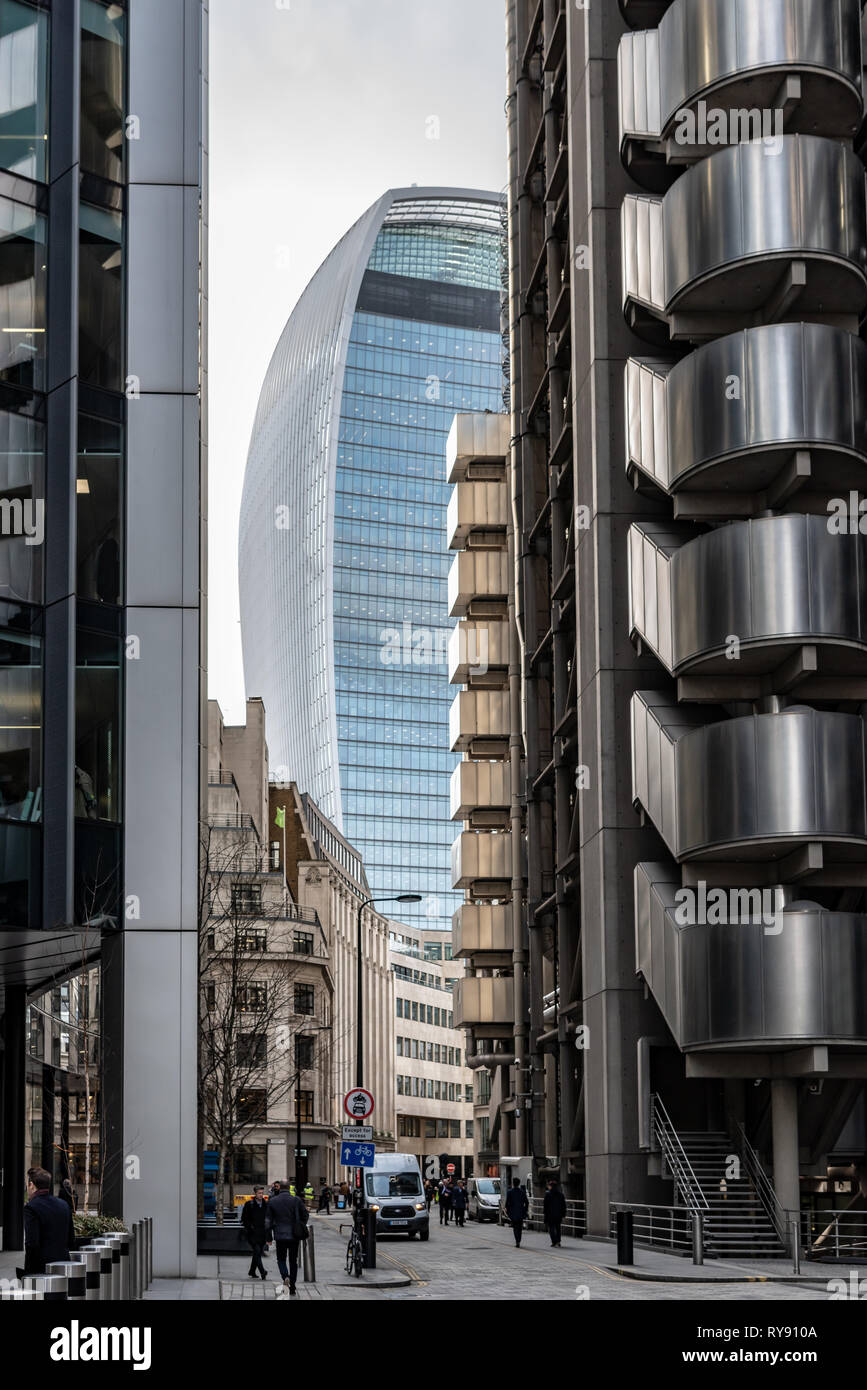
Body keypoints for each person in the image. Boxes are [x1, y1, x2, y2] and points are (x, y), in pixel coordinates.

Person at [19, 1168, 75, 1277]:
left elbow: (32, 1243)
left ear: (31, 1185)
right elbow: (71, 1239)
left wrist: (28, 1271)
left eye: (27, 1185)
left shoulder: (31, 1207)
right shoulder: (63, 1205)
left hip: (41, 1268)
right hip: (63, 1264)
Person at [266, 1180, 309, 1294]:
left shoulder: (273, 1201)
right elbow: (305, 1215)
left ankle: (285, 1276)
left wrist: (268, 1237)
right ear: (289, 1188)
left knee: (281, 1259)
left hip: (279, 1235)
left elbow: (268, 1221)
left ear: (280, 1187)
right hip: (294, 1235)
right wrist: (300, 1225)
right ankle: (292, 1286)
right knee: (293, 1260)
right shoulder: (296, 1200)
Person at [241, 1186, 270, 1280]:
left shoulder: (266, 1205)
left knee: (257, 1253)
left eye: (262, 1193)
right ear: (255, 1193)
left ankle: (252, 1271)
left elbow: (269, 1219)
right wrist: (250, 1227)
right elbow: (244, 1219)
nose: (261, 1195)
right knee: (257, 1250)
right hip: (252, 1233)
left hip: (262, 1233)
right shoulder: (249, 1204)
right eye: (259, 1193)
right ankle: (262, 1271)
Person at [505, 1177, 529, 1248]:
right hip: (521, 1212)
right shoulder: (522, 1192)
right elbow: (527, 1202)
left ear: (513, 1183)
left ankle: (517, 1241)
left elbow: (507, 1203)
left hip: (513, 1212)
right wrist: (525, 1210)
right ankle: (519, 1240)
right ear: (519, 1183)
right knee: (520, 1227)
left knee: (515, 1227)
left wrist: (508, 1210)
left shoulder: (510, 1192)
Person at [543, 1178, 567, 1247]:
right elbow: (563, 1205)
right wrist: (564, 1213)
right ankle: (558, 1241)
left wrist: (545, 1214)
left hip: (550, 1214)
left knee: (551, 1228)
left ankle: (554, 1241)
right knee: (558, 1228)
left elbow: (545, 1205)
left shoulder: (547, 1194)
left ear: (550, 1186)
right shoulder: (561, 1195)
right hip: (558, 1214)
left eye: (549, 1185)